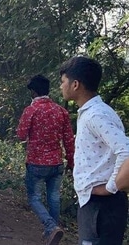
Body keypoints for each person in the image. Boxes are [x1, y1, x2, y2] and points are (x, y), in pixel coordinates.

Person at [59, 56, 129, 244]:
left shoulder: (96, 115)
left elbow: (125, 150)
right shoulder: (93, 112)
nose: (61, 86)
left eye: (63, 81)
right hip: (96, 202)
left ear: (75, 84)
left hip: (102, 205)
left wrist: (111, 186)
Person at [16, 74, 75, 245]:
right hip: (57, 163)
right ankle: (53, 231)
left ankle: (50, 227)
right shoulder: (61, 111)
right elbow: (69, 140)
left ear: (33, 92)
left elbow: (20, 135)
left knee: (34, 198)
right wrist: (71, 162)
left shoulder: (31, 110)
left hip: (36, 163)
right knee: (54, 197)